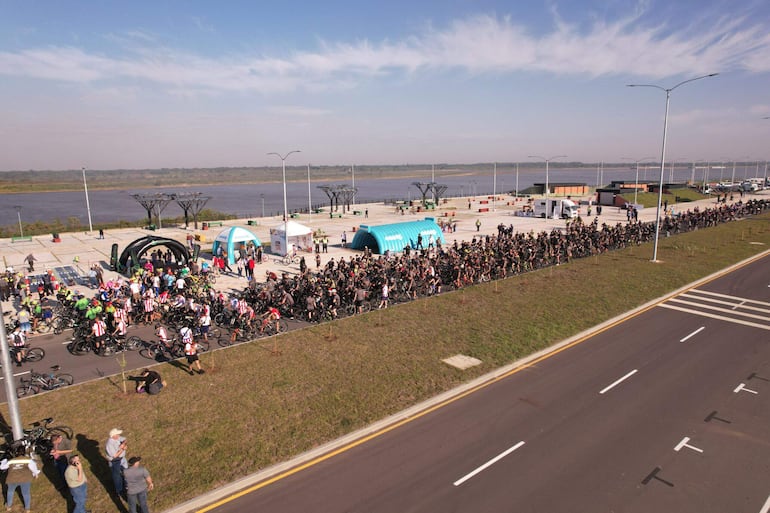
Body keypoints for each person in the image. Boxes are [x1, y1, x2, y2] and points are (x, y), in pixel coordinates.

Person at [0, 443, 40, 512]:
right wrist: (36, 474)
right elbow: (33, 468)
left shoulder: (11, 461)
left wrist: (4, 461)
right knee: (26, 493)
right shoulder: (28, 460)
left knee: (10, 492)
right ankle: (27, 509)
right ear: (24, 452)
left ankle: (9, 506)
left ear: (16, 452)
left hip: (12, 479)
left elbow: (2, 467)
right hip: (25, 479)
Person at [105, 428, 128, 497]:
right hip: (115, 461)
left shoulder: (117, 438)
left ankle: (127, 485)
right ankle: (119, 490)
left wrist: (123, 444)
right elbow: (114, 456)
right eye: (117, 434)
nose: (119, 435)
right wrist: (122, 448)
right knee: (117, 476)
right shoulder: (109, 444)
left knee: (126, 472)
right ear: (113, 435)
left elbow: (125, 439)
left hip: (122, 458)